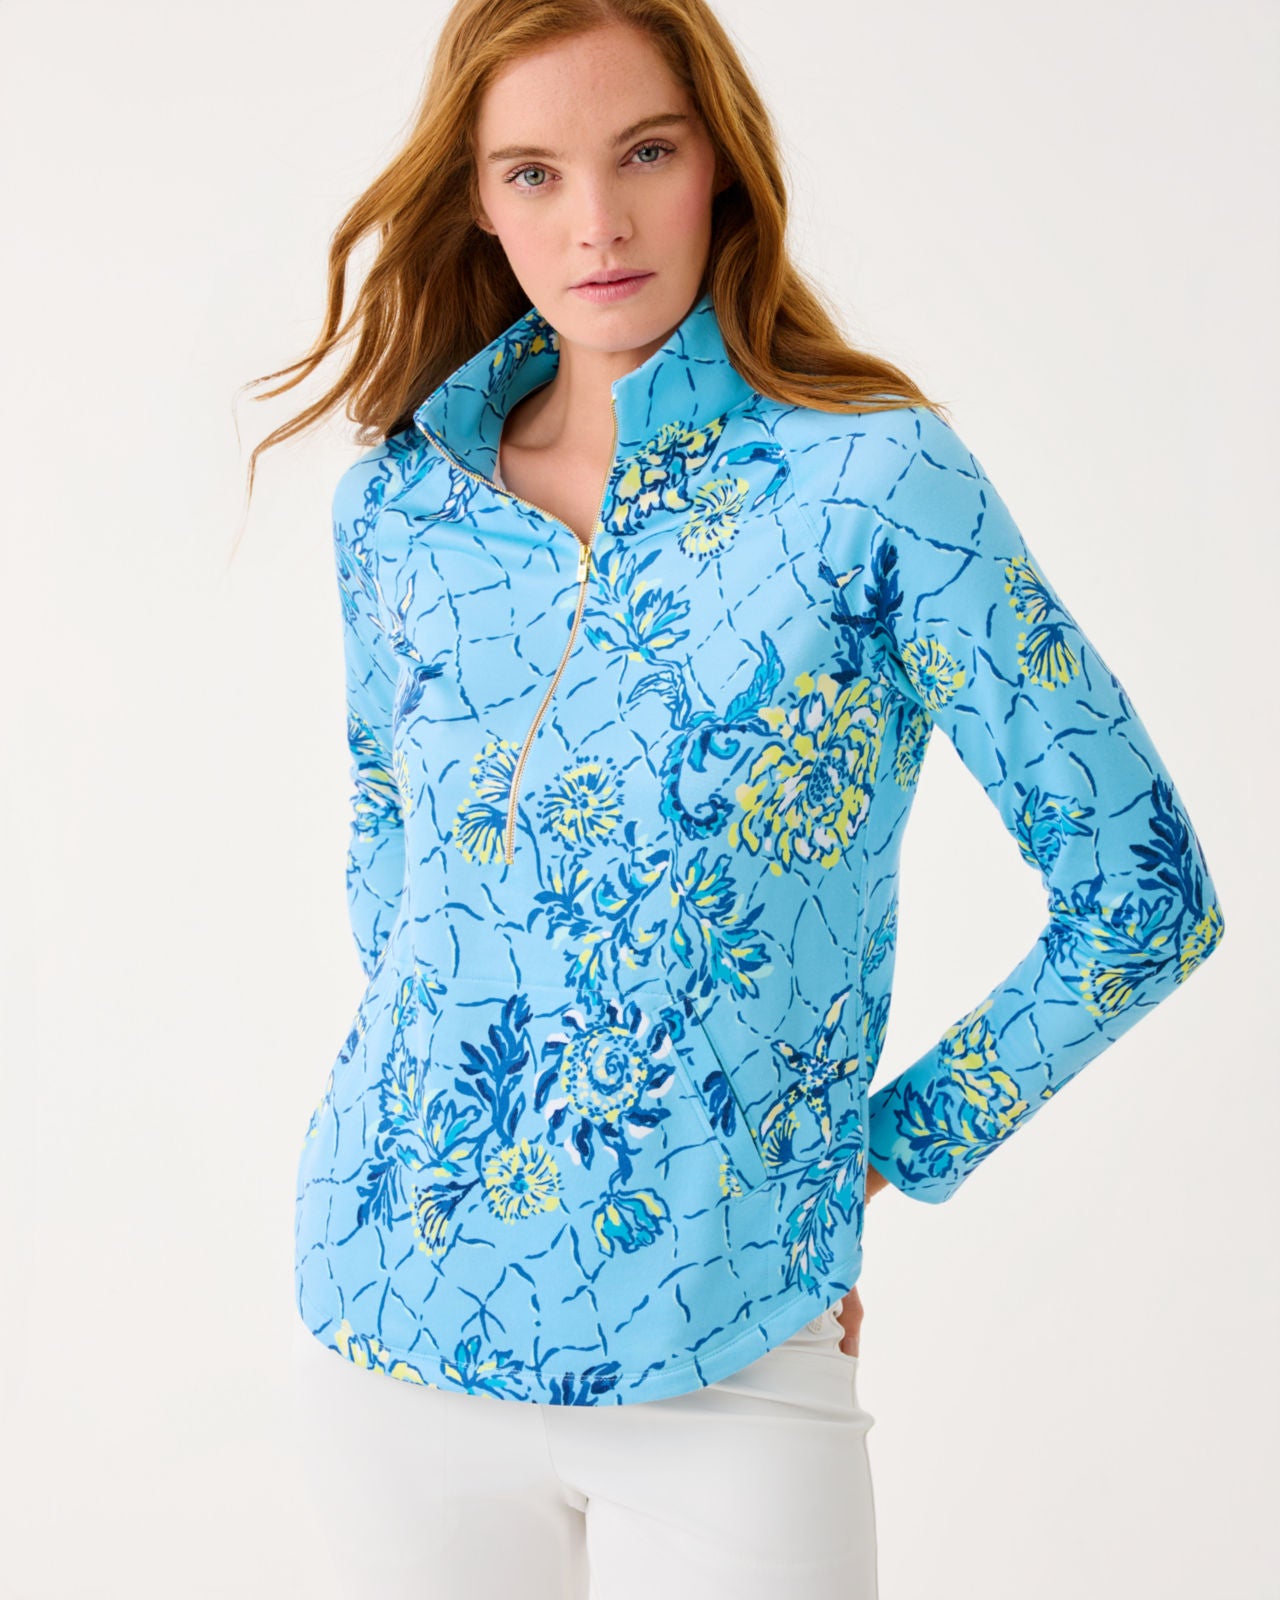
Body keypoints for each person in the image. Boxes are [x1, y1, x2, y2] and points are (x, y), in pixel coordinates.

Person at [241, 2, 1227, 1595]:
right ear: (478, 201)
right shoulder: (398, 512)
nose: (598, 222)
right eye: (535, 172)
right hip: (393, 1340)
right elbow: (397, 878)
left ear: (721, 164)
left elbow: (1144, 897)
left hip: (729, 1361)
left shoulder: (877, 483)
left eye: (644, 152)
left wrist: (869, 1155)